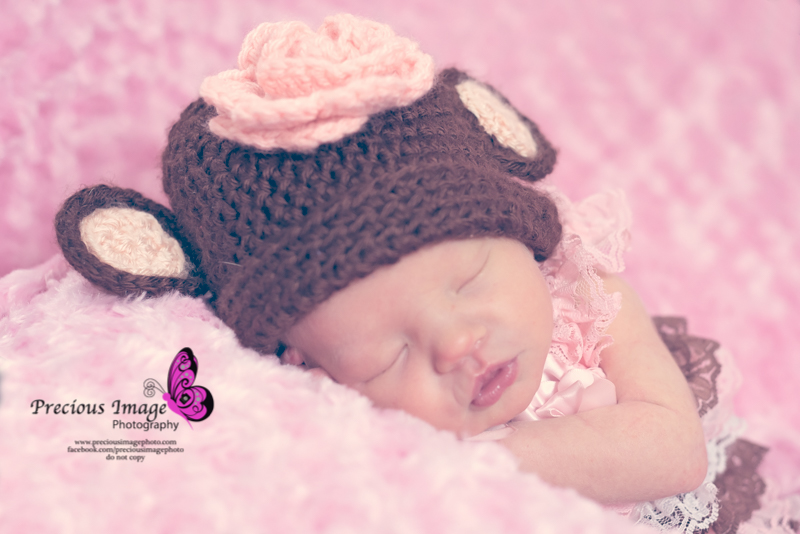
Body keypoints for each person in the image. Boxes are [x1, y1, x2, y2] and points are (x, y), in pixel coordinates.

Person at [55, 14, 779, 533]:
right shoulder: (334, 418)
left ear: (520, 239)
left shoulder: (591, 307)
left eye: (468, 279)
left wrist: (487, 455)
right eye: (389, 354)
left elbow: (674, 453)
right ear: (312, 369)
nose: (457, 340)